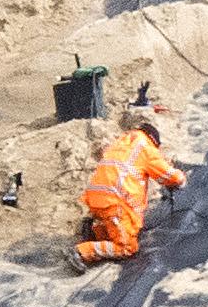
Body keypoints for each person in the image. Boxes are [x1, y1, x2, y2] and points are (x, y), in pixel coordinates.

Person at [71, 104, 183, 267]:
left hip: (97, 197)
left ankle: (96, 231)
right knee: (126, 247)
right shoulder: (146, 148)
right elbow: (170, 176)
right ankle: (81, 251)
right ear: (154, 140)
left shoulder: (122, 143)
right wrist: (181, 179)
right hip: (115, 203)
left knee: (116, 229)